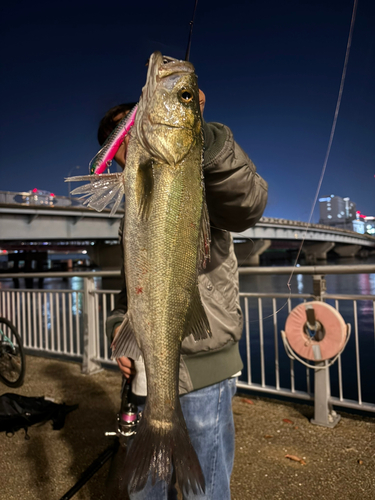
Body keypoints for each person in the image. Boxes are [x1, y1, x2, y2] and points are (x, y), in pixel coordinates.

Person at [100, 90, 268, 499]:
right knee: (146, 489)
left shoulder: (197, 177)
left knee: (205, 490)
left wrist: (201, 134)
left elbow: (249, 203)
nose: (130, 139)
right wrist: (117, 328)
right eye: (119, 138)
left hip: (204, 374)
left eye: (135, 125)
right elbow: (139, 286)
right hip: (146, 372)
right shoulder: (133, 204)